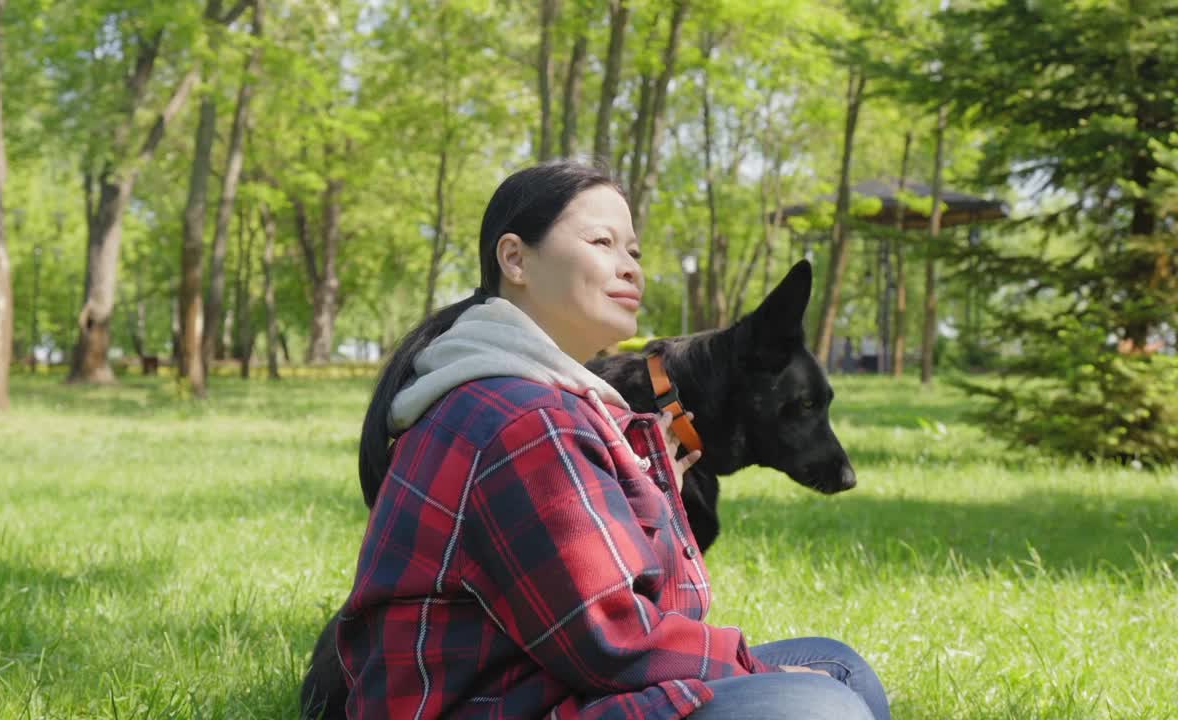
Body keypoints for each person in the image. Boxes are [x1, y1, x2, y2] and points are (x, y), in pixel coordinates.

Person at [338, 161, 890, 720]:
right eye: (602, 242)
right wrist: (755, 668)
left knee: (838, 666)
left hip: (531, 676)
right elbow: (614, 640)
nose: (629, 269)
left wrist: (655, 499)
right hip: (491, 703)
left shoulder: (535, 396)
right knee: (821, 706)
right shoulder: (527, 421)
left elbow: (656, 611)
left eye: (634, 252)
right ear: (515, 259)